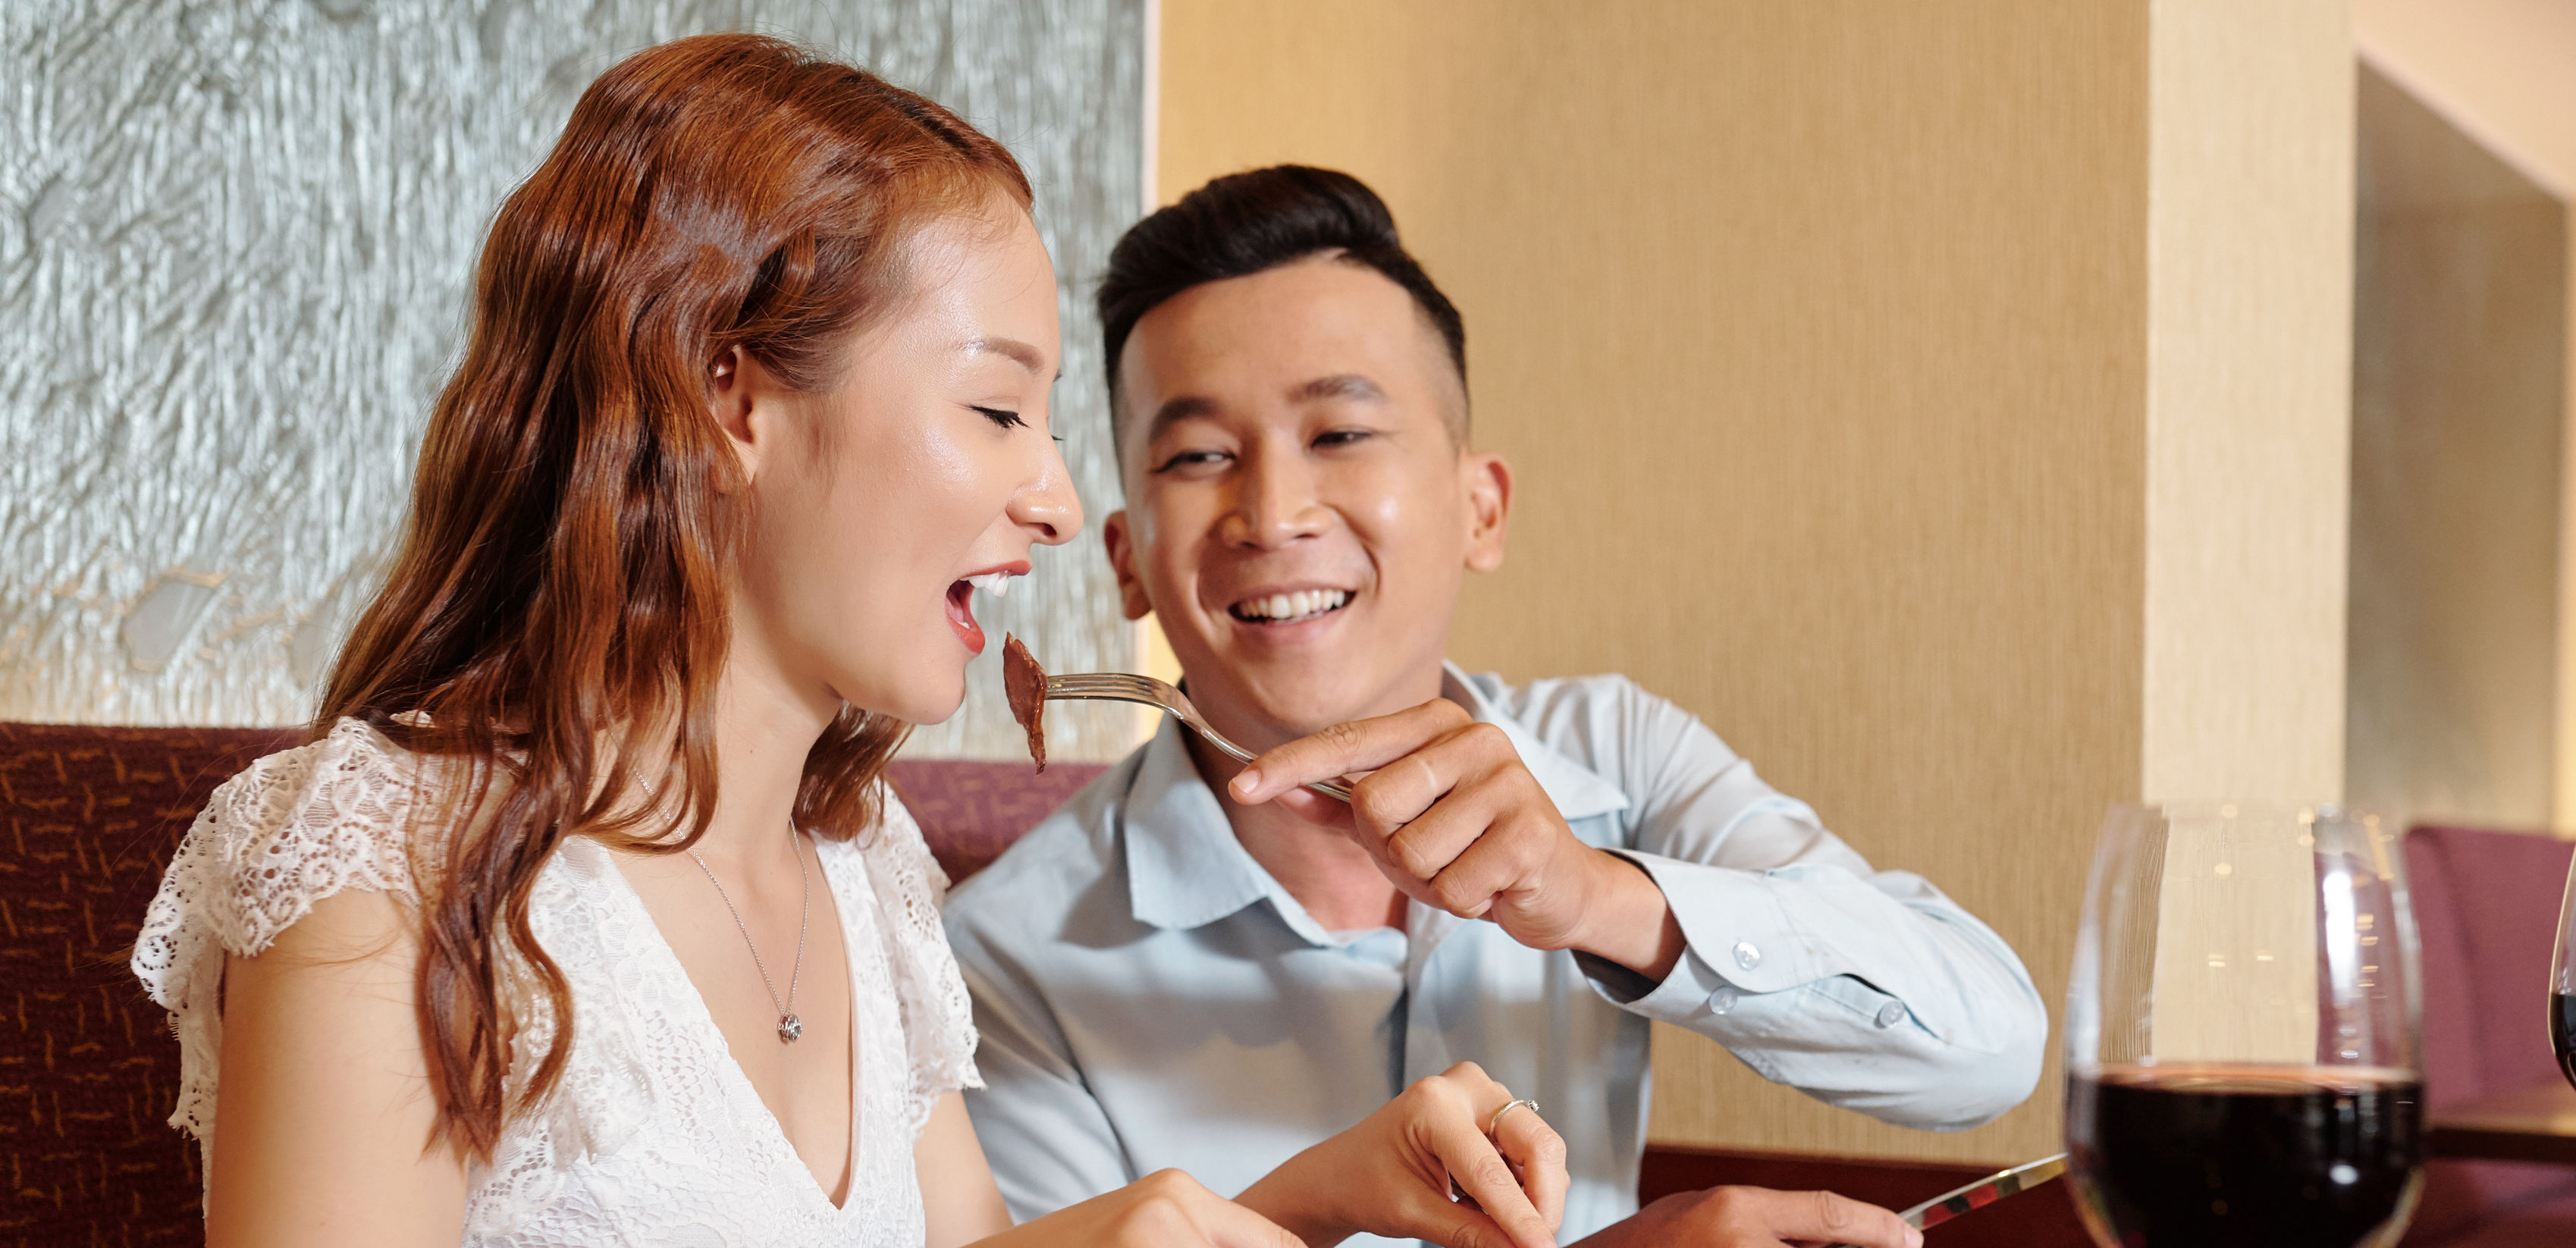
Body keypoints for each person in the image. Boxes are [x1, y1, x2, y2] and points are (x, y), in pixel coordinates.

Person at [131, 40, 1563, 1248]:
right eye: (998, 411)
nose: (1061, 502)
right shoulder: (384, 875)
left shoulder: (859, 863)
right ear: (724, 397)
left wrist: (1328, 1188)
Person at [943, 165, 2048, 1247]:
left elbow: (1987, 1050)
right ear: (1128, 561)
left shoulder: (1618, 758)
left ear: (1482, 509)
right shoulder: (1004, 960)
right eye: (1200, 454)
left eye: (1338, 433)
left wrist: (1594, 899)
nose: (1273, 513)